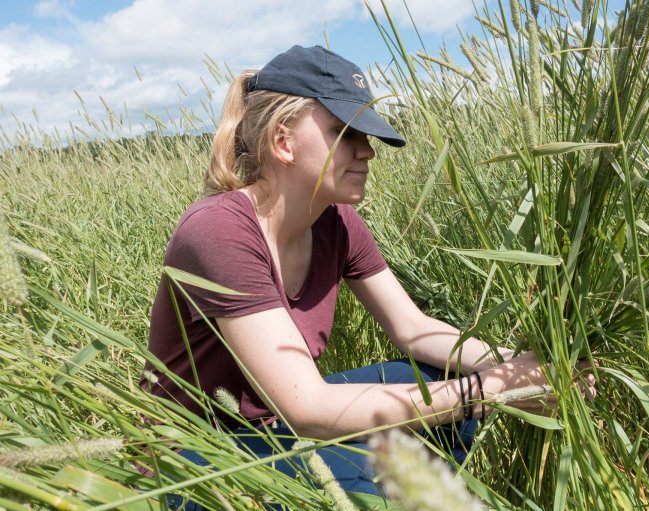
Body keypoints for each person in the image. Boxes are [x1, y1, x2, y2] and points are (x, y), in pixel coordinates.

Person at [143, 45, 596, 504]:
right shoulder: (220, 230)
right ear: (283, 141)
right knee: (395, 448)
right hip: (193, 457)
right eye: (344, 132)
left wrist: (520, 366)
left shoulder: (335, 221)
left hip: (273, 429)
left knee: (438, 370)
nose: (367, 153)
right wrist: (492, 390)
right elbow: (308, 409)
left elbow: (414, 329)